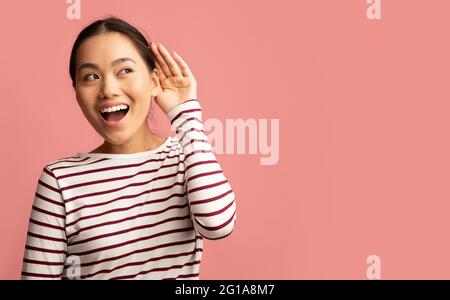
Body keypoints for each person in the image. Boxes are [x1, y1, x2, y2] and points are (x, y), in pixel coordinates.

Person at [20, 16, 237, 280]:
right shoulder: (60, 181)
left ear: (154, 81)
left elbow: (217, 224)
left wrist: (186, 113)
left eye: (124, 70)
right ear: (76, 92)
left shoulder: (188, 161)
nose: (108, 90)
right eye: (91, 76)